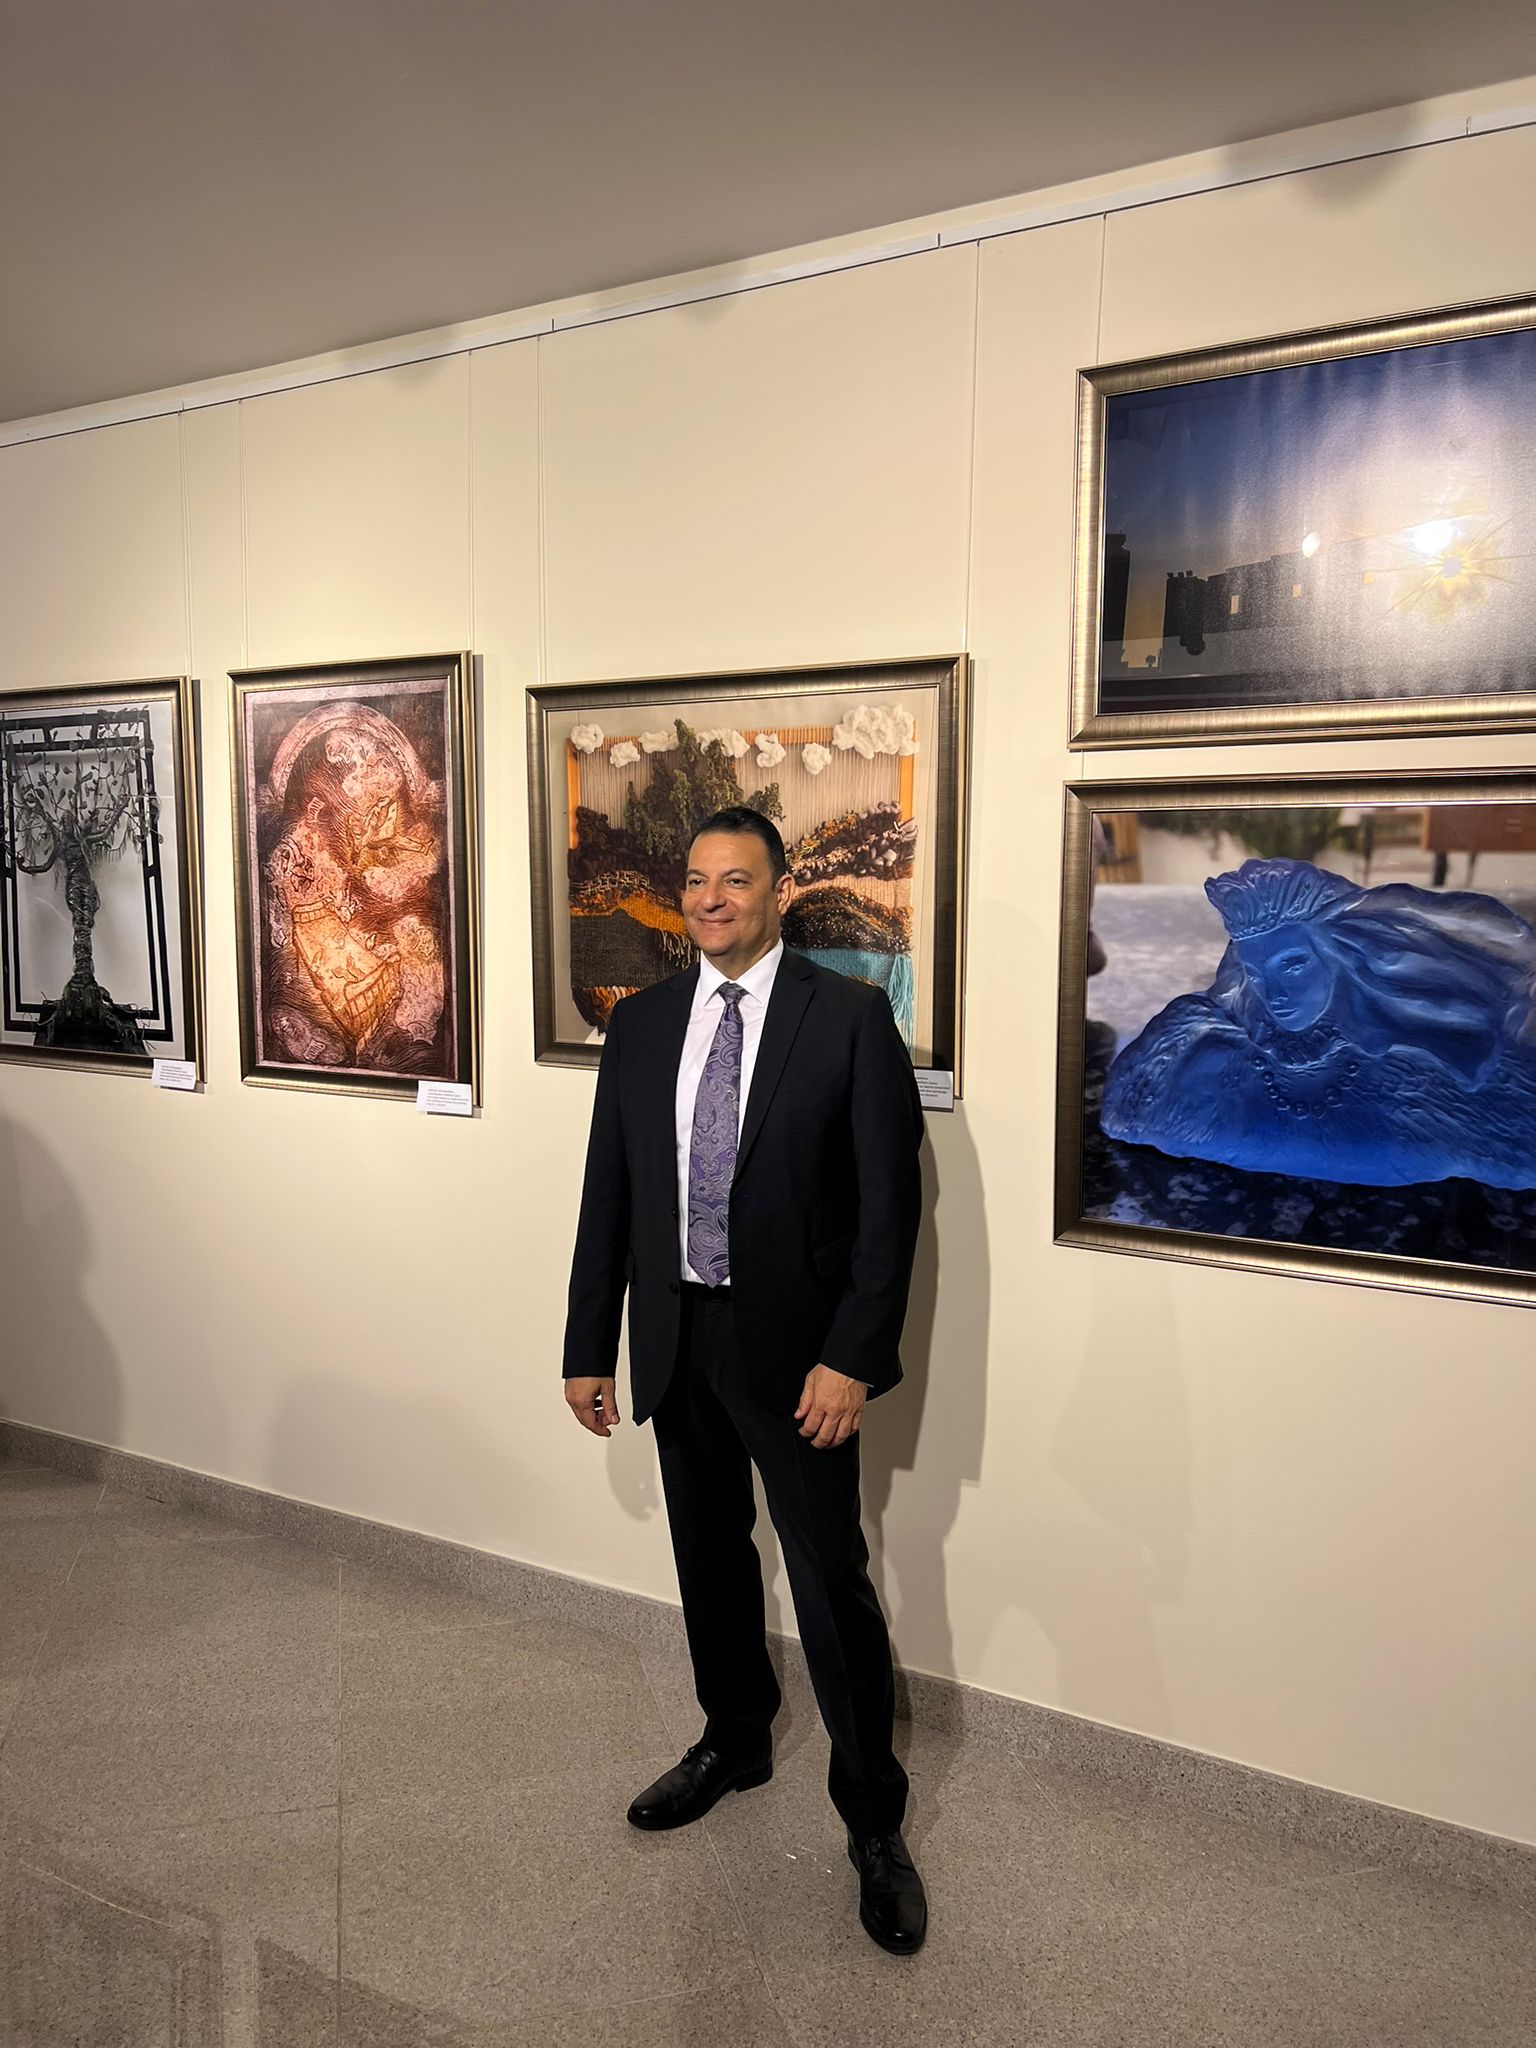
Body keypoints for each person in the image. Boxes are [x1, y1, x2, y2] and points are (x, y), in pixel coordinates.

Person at [562, 804, 928, 1954]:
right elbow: (609, 1192)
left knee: (828, 1578)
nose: (711, 898)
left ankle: (873, 1819)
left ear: (777, 893)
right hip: (678, 1336)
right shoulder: (642, 1023)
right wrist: (588, 1342)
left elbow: (890, 1212)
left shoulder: (849, 1017)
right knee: (709, 1558)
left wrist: (852, 1356)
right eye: (696, 880)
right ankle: (734, 1737)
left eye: (735, 879)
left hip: (801, 1356)